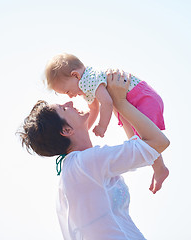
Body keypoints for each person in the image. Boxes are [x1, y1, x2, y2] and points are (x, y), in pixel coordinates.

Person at [18, 70, 170, 239]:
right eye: (63, 108)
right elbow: (158, 143)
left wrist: (117, 104)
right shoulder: (83, 164)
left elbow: (140, 144)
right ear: (66, 130)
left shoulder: (79, 166)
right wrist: (119, 101)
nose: (68, 102)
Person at [44, 53, 168, 193]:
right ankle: (159, 168)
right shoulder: (86, 85)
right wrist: (85, 128)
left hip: (142, 98)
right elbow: (94, 108)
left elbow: (107, 103)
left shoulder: (88, 80)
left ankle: (160, 169)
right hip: (136, 100)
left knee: (145, 140)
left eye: (67, 91)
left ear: (75, 76)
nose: (70, 97)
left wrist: (102, 126)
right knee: (137, 140)